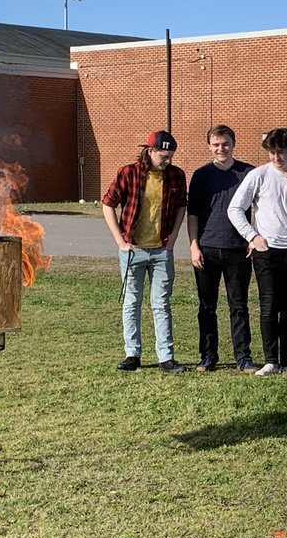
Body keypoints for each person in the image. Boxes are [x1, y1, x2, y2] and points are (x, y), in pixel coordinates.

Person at [227, 128, 287, 377]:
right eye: (273, 152)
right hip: (267, 250)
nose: (277, 157)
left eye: (282, 152)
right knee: (268, 305)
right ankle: (270, 360)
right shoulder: (258, 175)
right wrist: (253, 236)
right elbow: (235, 209)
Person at [103, 130, 187, 373]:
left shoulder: (176, 176)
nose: (167, 160)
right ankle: (132, 354)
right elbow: (108, 204)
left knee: (161, 303)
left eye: (170, 156)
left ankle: (166, 358)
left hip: (162, 251)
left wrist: (173, 237)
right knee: (132, 302)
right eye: (163, 155)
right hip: (132, 250)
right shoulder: (129, 173)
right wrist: (120, 241)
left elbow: (182, 205)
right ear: (150, 152)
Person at [186, 124, 255, 373]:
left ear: (233, 144)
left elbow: (261, 208)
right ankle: (208, 356)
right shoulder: (201, 175)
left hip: (238, 249)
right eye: (216, 144)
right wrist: (194, 246)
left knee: (239, 305)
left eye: (225, 144)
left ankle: (243, 357)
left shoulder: (248, 173)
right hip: (207, 248)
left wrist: (253, 238)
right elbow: (192, 214)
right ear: (210, 147)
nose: (221, 148)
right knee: (207, 306)